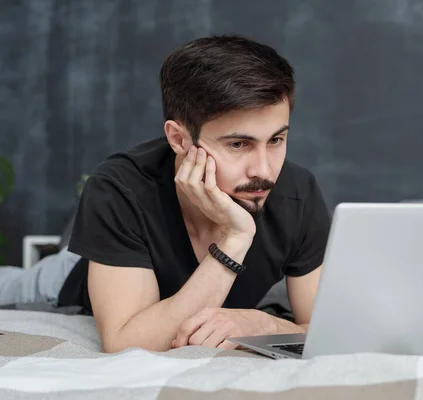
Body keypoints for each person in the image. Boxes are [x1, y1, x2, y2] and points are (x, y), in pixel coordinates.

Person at [66, 35, 331, 354]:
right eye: (238, 144)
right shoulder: (119, 188)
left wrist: (264, 323)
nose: (263, 170)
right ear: (178, 139)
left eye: (275, 140)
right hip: (77, 278)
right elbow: (125, 343)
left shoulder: (297, 194)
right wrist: (235, 237)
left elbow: (328, 330)